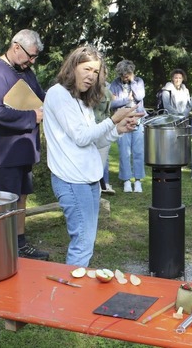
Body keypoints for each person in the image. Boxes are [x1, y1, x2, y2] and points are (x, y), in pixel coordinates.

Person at [43, 46, 142, 267]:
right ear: (73, 67)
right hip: (71, 180)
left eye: (96, 72)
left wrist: (119, 130)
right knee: (83, 243)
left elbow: (95, 141)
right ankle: (72, 297)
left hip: (89, 179)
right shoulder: (58, 94)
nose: (91, 76)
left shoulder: (81, 99)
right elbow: (80, 137)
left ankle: (76, 293)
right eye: (87, 69)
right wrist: (113, 119)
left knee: (87, 241)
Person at [0, 29, 48, 260]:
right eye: (30, 55)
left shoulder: (25, 70)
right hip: (4, 152)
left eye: (35, 57)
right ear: (16, 47)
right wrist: (31, 117)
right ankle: (4, 249)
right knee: (6, 201)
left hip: (23, 149)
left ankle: (20, 244)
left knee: (21, 196)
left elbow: (40, 96)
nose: (32, 61)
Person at [109, 60, 147, 193]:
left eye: (128, 74)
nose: (126, 77)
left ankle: (137, 181)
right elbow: (111, 104)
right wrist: (127, 100)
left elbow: (141, 96)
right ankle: (126, 180)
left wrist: (133, 82)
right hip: (121, 120)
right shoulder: (114, 84)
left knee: (138, 151)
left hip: (137, 119)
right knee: (124, 152)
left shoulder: (139, 81)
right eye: (124, 74)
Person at [93, 79, 116, 195]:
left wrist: (106, 127)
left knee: (101, 165)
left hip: (102, 132)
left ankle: (100, 189)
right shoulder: (81, 91)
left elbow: (107, 112)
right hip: (88, 132)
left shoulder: (107, 92)